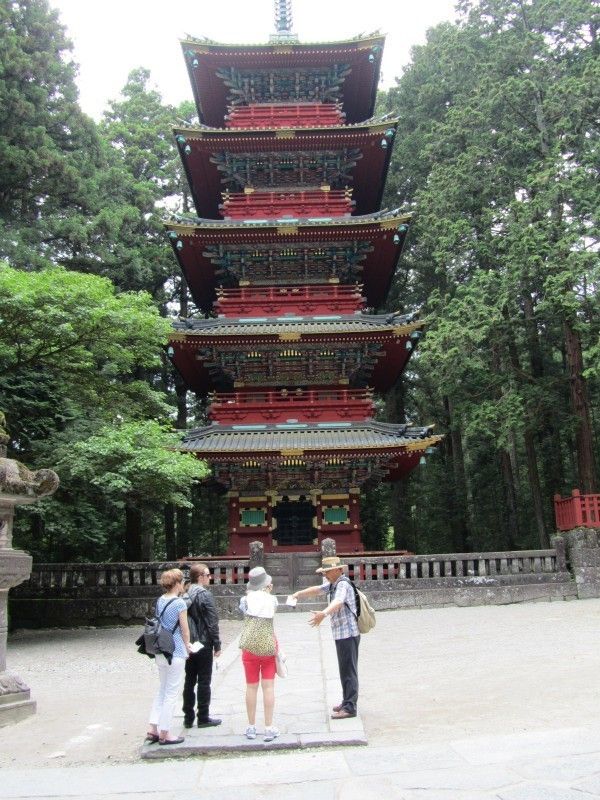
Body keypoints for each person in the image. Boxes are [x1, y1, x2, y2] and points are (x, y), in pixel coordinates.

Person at [291, 555, 359, 719]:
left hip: (348, 633)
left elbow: (339, 602)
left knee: (349, 670)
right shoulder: (333, 584)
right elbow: (318, 589)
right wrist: (299, 593)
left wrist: (323, 613)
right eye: (324, 572)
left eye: (327, 571)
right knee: (344, 669)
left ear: (337, 570)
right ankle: (346, 701)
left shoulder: (342, 584)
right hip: (341, 633)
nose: (325, 575)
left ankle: (350, 707)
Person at [145, 568, 193, 745]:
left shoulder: (160, 600)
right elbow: (184, 629)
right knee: (172, 693)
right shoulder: (180, 603)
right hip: (176, 650)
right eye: (182, 582)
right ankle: (165, 732)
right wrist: (188, 646)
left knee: (162, 690)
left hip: (160, 648)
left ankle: (153, 728)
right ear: (178, 583)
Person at [239, 566, 279, 741]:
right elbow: (270, 611)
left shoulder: (244, 600)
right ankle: (269, 727)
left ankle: (251, 727)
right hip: (268, 646)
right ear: (266, 584)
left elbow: (245, 611)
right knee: (268, 687)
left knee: (251, 687)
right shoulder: (273, 600)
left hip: (249, 647)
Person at [182, 562, 222, 728]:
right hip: (204, 642)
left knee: (189, 680)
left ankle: (188, 717)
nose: (209, 577)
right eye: (207, 574)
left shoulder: (186, 592)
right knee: (204, 680)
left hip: (190, 642)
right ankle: (203, 716)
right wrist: (217, 643)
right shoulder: (204, 595)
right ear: (200, 577)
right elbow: (211, 621)